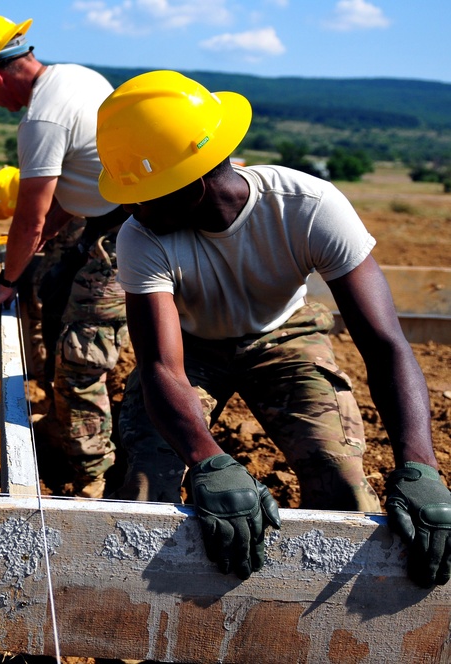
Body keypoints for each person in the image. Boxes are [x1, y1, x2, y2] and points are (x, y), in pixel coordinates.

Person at [96, 70, 451, 587]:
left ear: (192, 186)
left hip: (284, 336)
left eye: (141, 192)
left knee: (345, 486)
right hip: (190, 347)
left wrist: (421, 466)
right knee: (148, 482)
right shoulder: (142, 235)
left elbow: (384, 343)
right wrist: (207, 460)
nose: (128, 208)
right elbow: (160, 366)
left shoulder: (307, 207)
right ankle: (132, 615)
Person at [0, 14, 129, 498]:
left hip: (125, 231)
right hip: (108, 218)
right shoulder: (79, 76)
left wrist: (6, 282)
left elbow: (31, 216)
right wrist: (33, 256)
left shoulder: (40, 119)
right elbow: (72, 194)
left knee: (81, 352)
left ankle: (93, 476)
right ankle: (61, 423)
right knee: (54, 290)